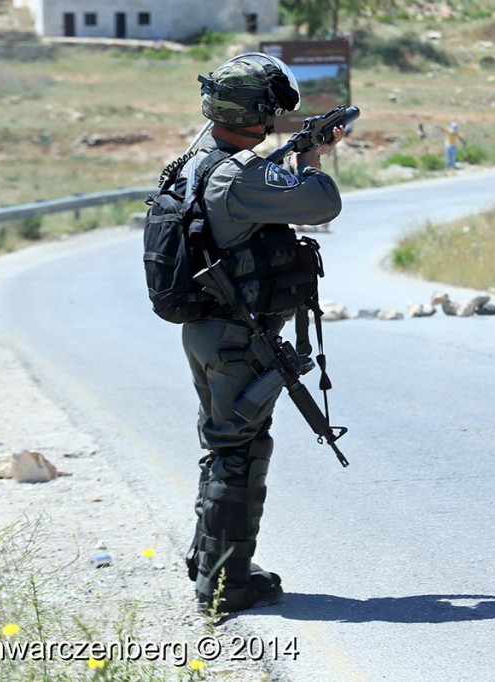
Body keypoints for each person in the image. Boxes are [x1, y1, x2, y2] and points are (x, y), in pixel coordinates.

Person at [179, 52, 345, 613]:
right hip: (236, 336)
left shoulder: (197, 161)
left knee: (225, 444)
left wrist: (291, 152)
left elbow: (251, 185)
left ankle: (212, 561)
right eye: (270, 109)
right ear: (256, 111)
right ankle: (224, 587)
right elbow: (322, 203)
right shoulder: (237, 175)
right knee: (242, 452)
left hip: (211, 332)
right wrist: (314, 159)